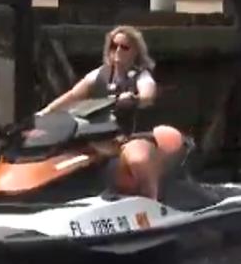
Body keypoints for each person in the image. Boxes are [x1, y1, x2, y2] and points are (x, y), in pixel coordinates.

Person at [36, 25, 186, 200]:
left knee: (138, 160)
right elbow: (72, 96)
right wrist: (44, 113)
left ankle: (152, 201)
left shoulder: (141, 76)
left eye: (125, 47)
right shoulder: (100, 74)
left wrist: (135, 98)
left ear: (135, 52)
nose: (118, 51)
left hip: (130, 137)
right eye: (114, 46)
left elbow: (148, 94)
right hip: (99, 138)